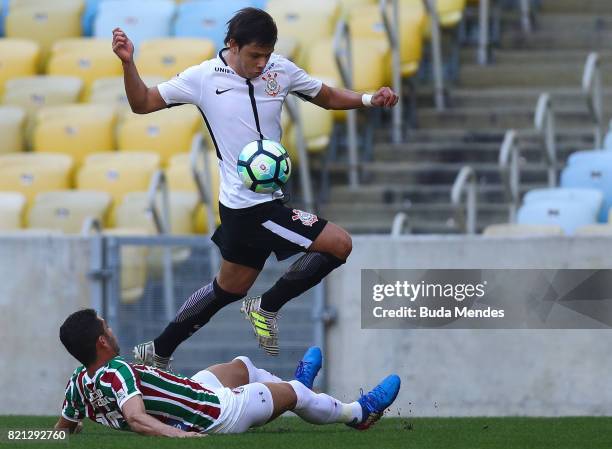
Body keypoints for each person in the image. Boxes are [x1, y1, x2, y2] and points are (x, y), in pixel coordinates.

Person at [112, 7, 399, 364]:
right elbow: (142, 103)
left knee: (228, 288)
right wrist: (128, 63)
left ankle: (158, 350)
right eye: (254, 55)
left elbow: (324, 96)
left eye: (266, 54)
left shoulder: (280, 69)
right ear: (232, 44)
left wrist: (369, 99)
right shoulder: (203, 77)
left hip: (253, 205)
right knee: (339, 244)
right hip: (249, 207)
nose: (262, 63)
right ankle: (266, 307)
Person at [54, 309, 401, 436]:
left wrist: (24, 437)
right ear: (102, 341)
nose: (113, 331)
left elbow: (62, 430)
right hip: (214, 413)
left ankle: (297, 389)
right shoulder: (115, 371)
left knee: (243, 366)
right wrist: (179, 437)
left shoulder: (77, 382)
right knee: (295, 394)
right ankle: (358, 413)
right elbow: (138, 418)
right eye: (107, 328)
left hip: (192, 393)